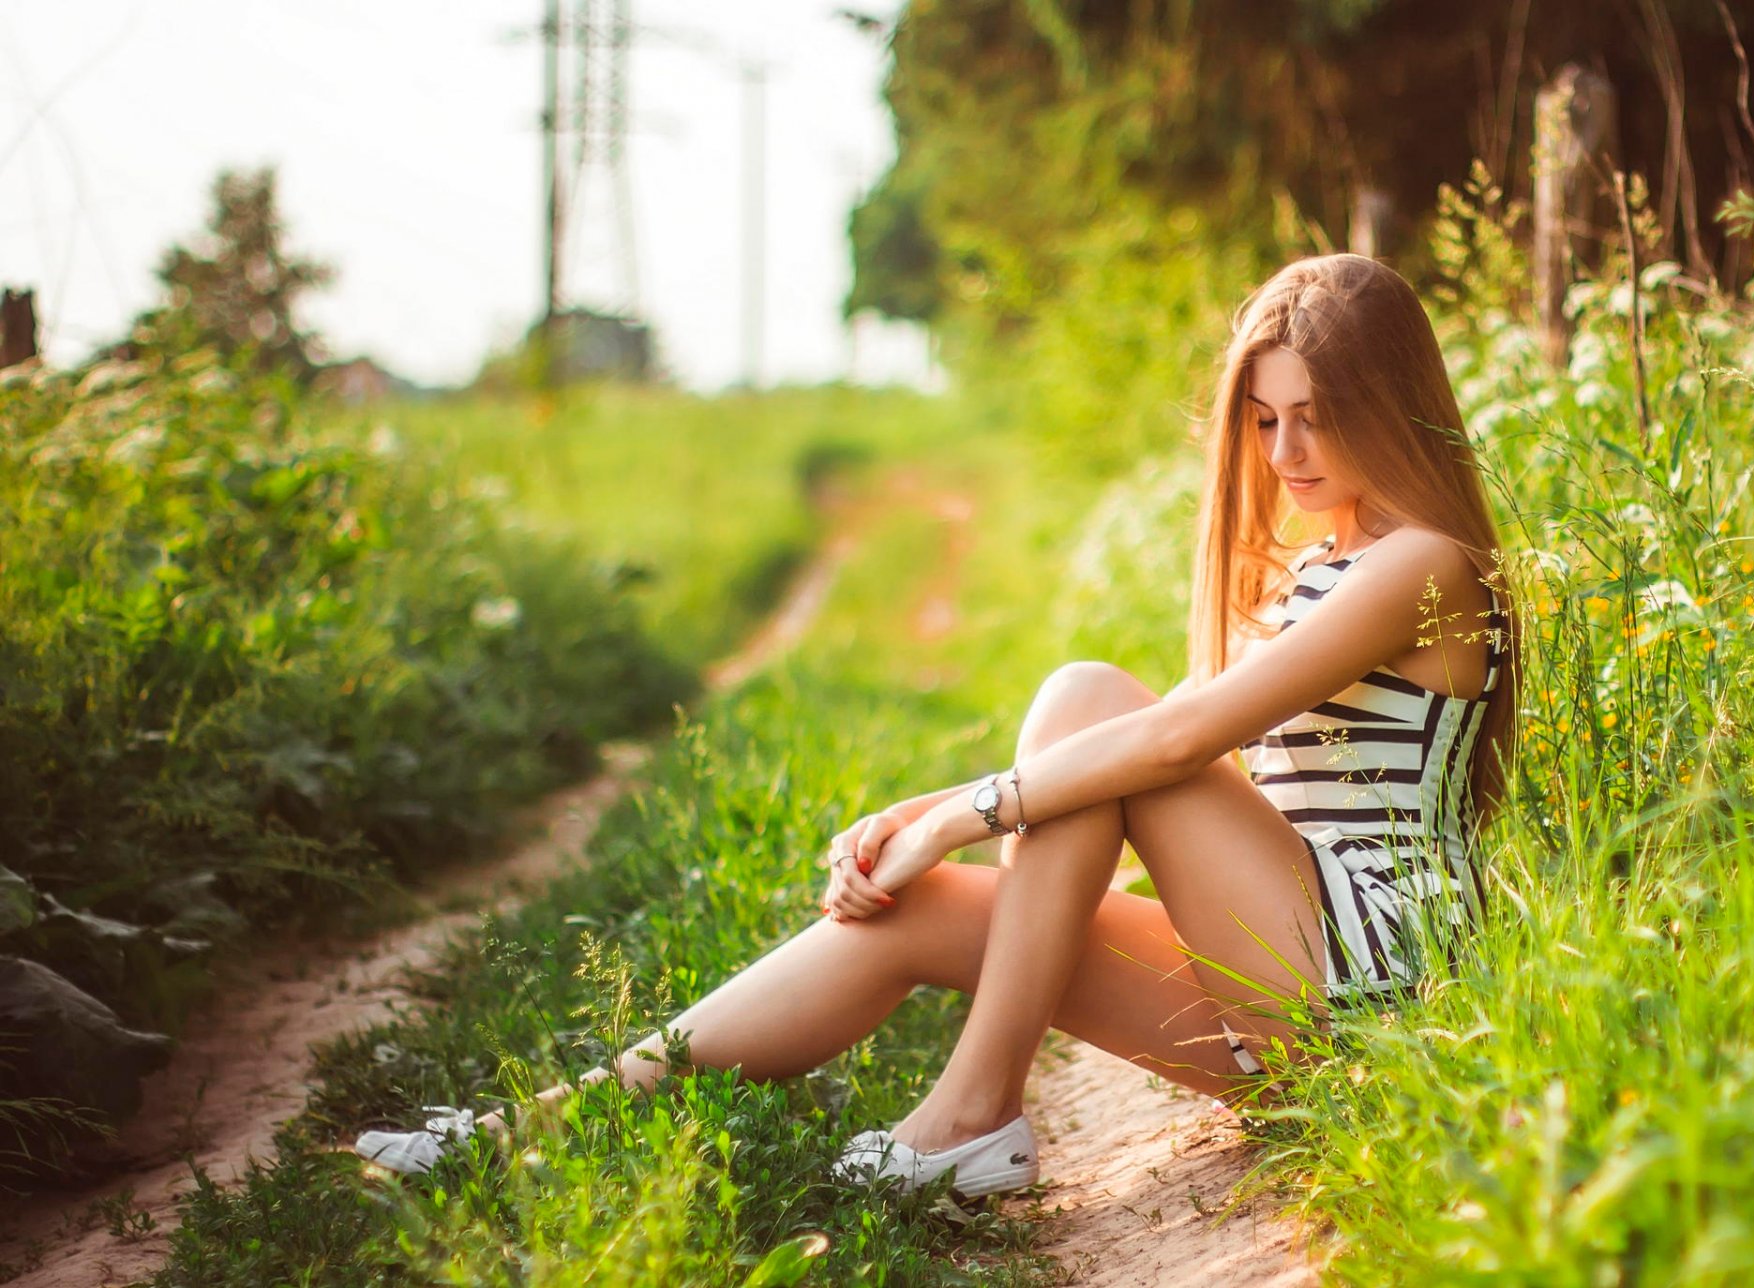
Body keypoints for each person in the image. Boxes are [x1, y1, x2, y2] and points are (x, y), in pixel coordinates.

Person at [356, 253, 1519, 1200]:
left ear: (1389, 402)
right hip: (1285, 987)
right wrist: (921, 821)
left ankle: (970, 1111)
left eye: (1316, 418)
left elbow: (1173, 744)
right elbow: (1174, 751)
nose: (1285, 455)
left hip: (1376, 992)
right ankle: (536, 1127)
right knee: (917, 906)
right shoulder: (1327, 561)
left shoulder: (1429, 565)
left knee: (1094, 705)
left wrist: (964, 814)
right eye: (1265, 422)